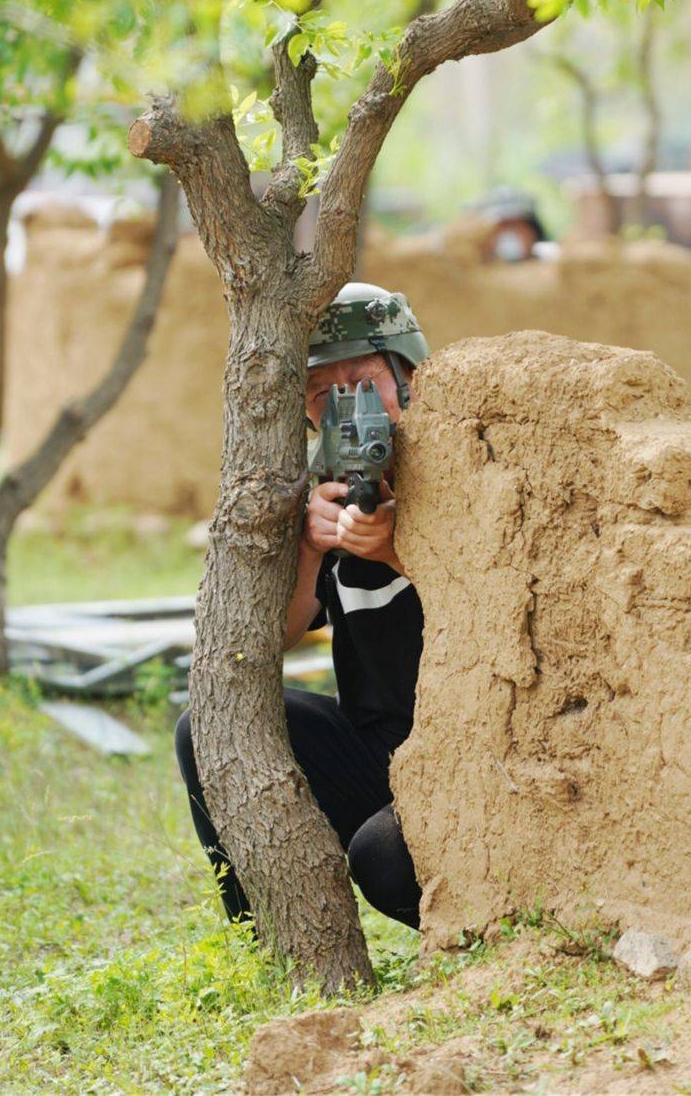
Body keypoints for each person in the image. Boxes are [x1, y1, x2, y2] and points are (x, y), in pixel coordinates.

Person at [174, 282, 428, 931]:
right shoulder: (327, 480)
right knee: (204, 726)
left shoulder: (468, 467)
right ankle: (264, 940)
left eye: (364, 378)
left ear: (408, 370)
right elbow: (276, 635)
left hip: (461, 750)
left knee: (385, 857)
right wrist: (311, 547)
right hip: (378, 744)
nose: (349, 402)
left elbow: (498, 601)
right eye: (323, 390)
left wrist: (402, 549)